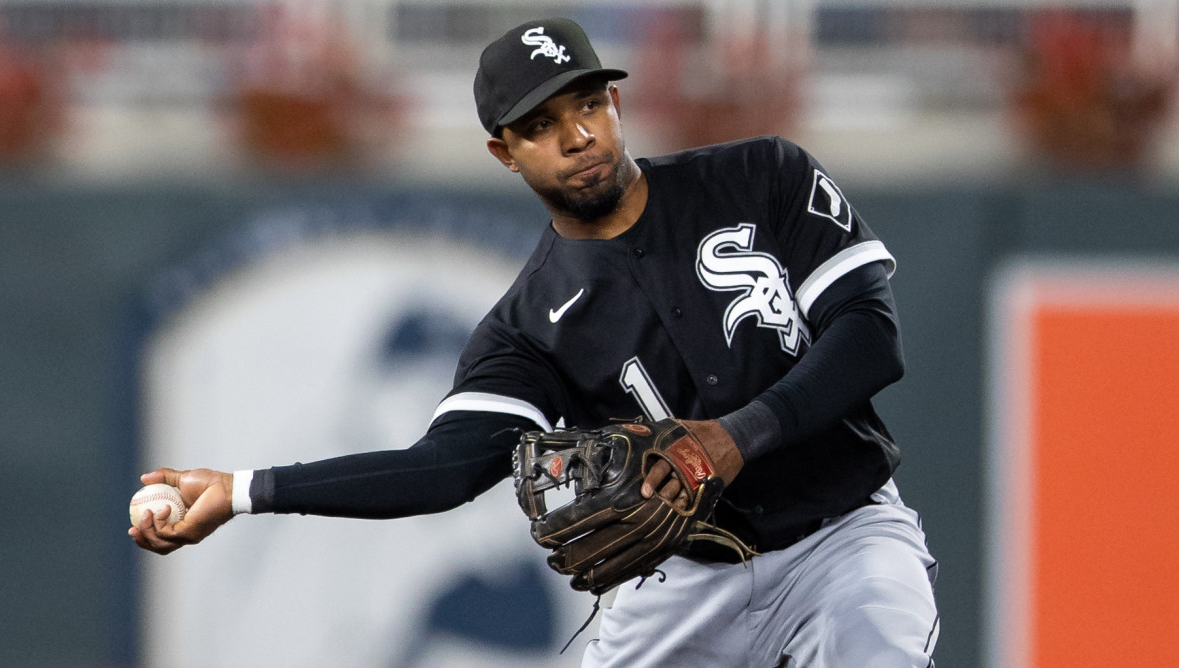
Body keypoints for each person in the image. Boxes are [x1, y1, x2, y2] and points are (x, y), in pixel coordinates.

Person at [131, 17, 939, 667]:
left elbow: (870, 337)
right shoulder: (526, 328)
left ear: (616, 106)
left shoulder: (762, 174)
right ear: (504, 151)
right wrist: (241, 491)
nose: (579, 134)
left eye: (590, 104)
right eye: (543, 123)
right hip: (690, 583)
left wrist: (732, 440)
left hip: (846, 536)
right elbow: (441, 470)